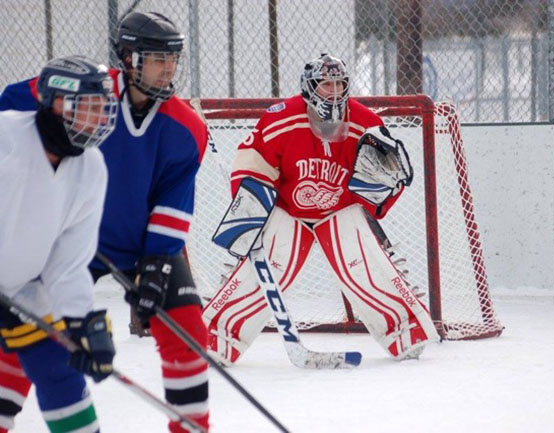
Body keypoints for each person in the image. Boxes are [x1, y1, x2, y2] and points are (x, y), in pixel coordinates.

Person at [0, 11, 210, 432]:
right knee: (22, 335)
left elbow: (172, 203)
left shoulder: (186, 128)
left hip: (137, 247)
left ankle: (191, 427)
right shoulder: (86, 92)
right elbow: (17, 100)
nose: (168, 69)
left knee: (188, 330)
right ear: (129, 58)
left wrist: (157, 265)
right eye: (156, 58)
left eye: (172, 60)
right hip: (60, 240)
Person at [202, 53, 438, 366]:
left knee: (367, 266)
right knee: (263, 268)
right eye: (326, 83)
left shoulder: (366, 123)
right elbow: (253, 161)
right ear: (309, 87)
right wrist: (252, 215)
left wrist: (387, 188)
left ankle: (405, 332)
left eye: (340, 83)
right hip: (288, 211)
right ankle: (216, 338)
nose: (334, 90)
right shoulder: (281, 117)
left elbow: (376, 194)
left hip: (341, 211)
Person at [0, 55, 117, 433]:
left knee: (60, 368)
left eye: (103, 108)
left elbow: (67, 263)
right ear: (57, 103)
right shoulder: (6, 139)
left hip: (19, 290)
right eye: (90, 108)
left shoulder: (91, 168)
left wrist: (81, 323)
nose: (100, 119)